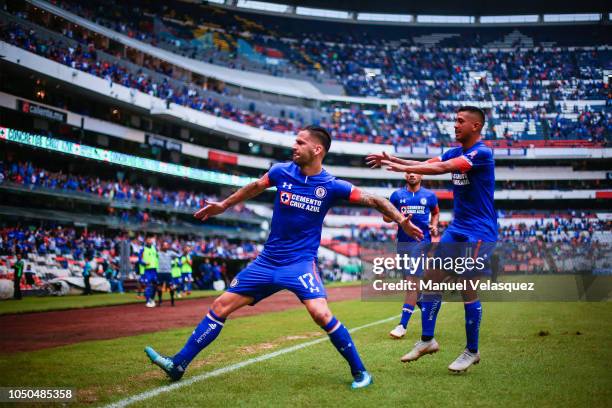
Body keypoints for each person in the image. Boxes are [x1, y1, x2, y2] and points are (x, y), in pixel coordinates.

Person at [145, 125, 423, 389]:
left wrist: (401, 220)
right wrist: (223, 205)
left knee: (320, 313)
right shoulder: (280, 172)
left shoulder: (331, 185)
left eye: (300, 142)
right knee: (220, 307)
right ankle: (178, 364)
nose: (294, 146)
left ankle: (361, 372)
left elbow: (376, 200)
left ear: (317, 150)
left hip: (299, 263)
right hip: (266, 262)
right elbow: (255, 186)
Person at [367, 106, 496, 373]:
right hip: (458, 227)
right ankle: (427, 340)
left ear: (476, 126)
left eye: (460, 121)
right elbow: (427, 164)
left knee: (466, 287)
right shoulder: (454, 151)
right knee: (430, 279)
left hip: (479, 231)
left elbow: (444, 167)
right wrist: (396, 161)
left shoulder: (482, 153)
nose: (455, 125)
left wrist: (399, 164)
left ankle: (472, 351)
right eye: (455, 120)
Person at [385, 173, 439, 340]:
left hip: (421, 242)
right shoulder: (397, 195)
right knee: (412, 285)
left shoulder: (429, 195)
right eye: (408, 172)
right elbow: (386, 218)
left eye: (415, 171)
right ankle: (429, 307)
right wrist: (395, 215)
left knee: (411, 284)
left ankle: (402, 325)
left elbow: (436, 212)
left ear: (421, 175)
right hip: (403, 243)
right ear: (405, 175)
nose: (411, 174)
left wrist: (434, 226)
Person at [157, 241, 180, 306]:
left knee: (171, 286)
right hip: (160, 272)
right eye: (164, 245)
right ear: (161, 246)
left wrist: (185, 252)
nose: (165, 246)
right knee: (159, 287)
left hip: (168, 272)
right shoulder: (157, 253)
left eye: (166, 245)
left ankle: (172, 301)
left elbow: (179, 256)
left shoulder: (171, 253)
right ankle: (159, 301)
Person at [138, 236, 159, 308]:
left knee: (156, 285)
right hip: (147, 270)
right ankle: (148, 301)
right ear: (146, 241)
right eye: (148, 240)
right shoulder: (142, 249)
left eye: (151, 240)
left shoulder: (155, 249)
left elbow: (157, 258)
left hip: (155, 270)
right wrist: (144, 263)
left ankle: (152, 299)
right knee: (148, 285)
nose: (150, 241)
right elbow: (140, 260)